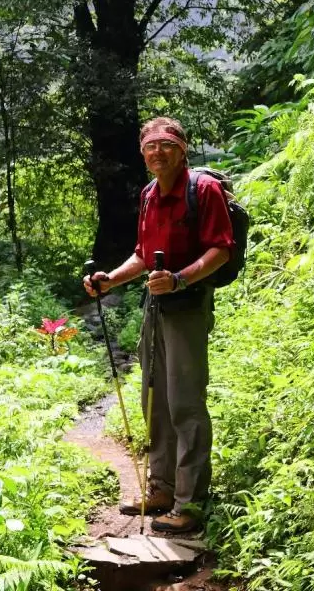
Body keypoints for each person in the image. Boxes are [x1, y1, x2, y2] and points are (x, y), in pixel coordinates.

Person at [83, 117, 234, 533]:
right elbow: (143, 255)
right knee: (155, 398)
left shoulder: (203, 190)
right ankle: (162, 488)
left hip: (187, 306)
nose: (157, 152)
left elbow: (221, 249)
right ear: (143, 153)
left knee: (185, 402)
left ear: (182, 149)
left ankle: (190, 501)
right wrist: (109, 280)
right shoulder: (149, 194)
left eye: (166, 145)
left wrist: (181, 279)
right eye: (150, 146)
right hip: (156, 306)